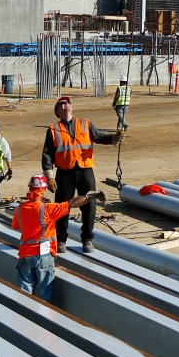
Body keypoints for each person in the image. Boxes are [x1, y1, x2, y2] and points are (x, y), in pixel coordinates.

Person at [42, 95, 122, 253]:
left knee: (90, 204)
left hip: (85, 170)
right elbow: (47, 156)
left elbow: (100, 137)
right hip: (64, 173)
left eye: (68, 103)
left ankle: (87, 239)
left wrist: (115, 138)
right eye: (62, 104)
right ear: (58, 111)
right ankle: (61, 240)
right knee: (62, 207)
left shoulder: (85, 124)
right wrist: (49, 177)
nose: (66, 105)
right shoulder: (53, 130)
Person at [10, 175, 88, 301]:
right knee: (45, 293)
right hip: (44, 255)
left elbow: (16, 226)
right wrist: (90, 197)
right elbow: (72, 203)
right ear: (44, 189)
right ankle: (44, 319)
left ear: (30, 188)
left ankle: (24, 316)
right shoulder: (48, 209)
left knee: (24, 293)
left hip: (25, 255)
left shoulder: (19, 209)